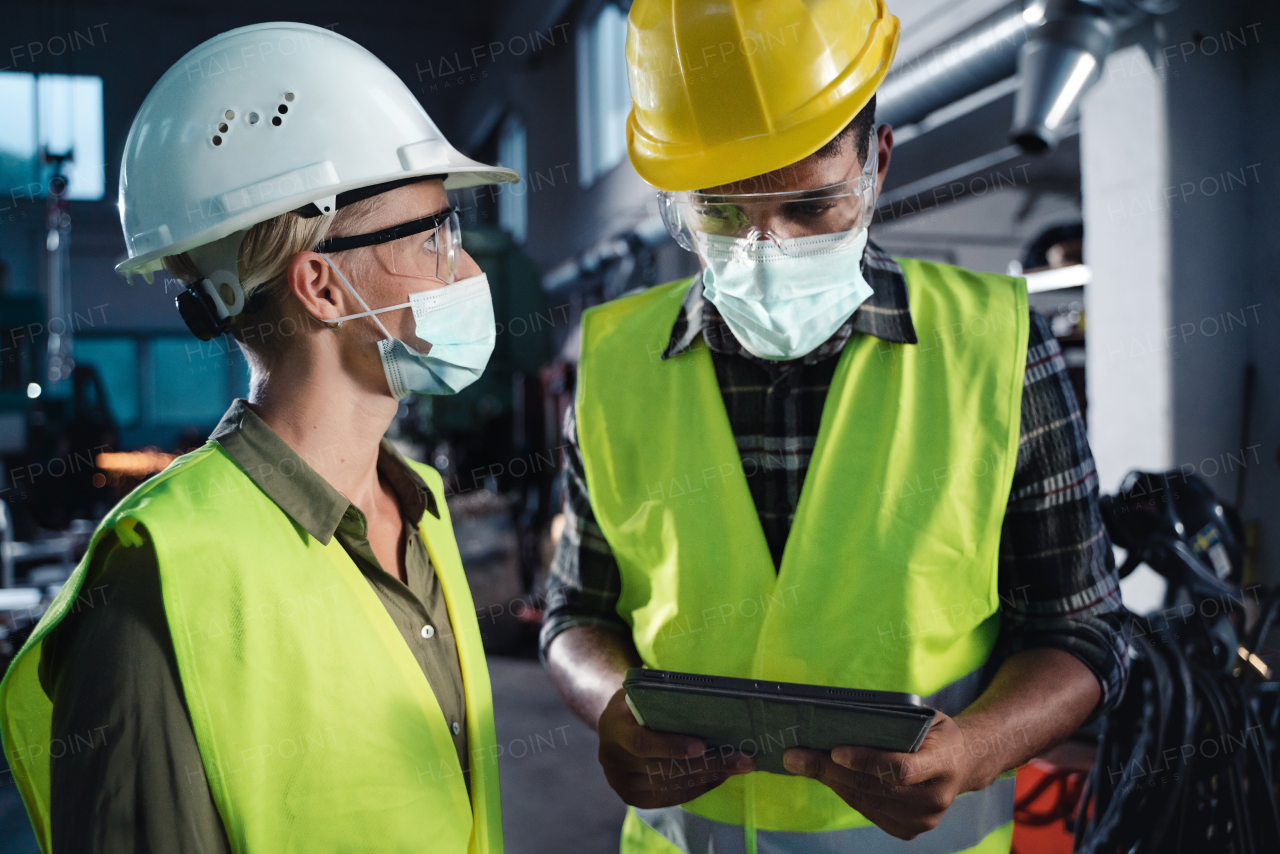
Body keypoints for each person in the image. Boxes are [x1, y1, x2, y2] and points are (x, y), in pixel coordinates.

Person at [542, 2, 1127, 852]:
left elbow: (1083, 626)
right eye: (721, 215)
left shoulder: (994, 345)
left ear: (876, 165)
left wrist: (972, 753)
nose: (765, 249)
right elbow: (572, 614)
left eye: (809, 209)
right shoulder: (616, 359)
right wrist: (614, 708)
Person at [0, 23, 514, 853]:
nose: (466, 271)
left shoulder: (424, 511)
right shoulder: (158, 582)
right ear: (323, 285)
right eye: (432, 237)